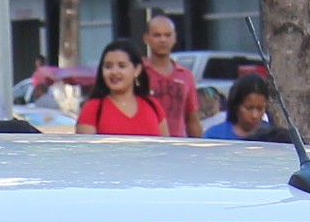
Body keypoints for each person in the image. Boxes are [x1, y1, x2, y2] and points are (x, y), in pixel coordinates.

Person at [77, 39, 169, 137]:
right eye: (108, 66)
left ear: (137, 70)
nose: (114, 72)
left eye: (121, 66)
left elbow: (166, 149)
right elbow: (86, 150)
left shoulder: (153, 106)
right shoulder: (92, 109)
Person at [137, 10, 200, 138]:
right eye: (157, 35)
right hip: (146, 145)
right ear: (146, 38)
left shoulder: (186, 76)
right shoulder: (137, 72)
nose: (162, 40)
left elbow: (192, 119)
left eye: (167, 35)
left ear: (175, 38)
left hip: (177, 148)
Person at [203, 68, 296, 143]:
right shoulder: (214, 137)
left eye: (260, 109)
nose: (254, 115)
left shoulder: (275, 139)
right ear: (236, 106)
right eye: (249, 108)